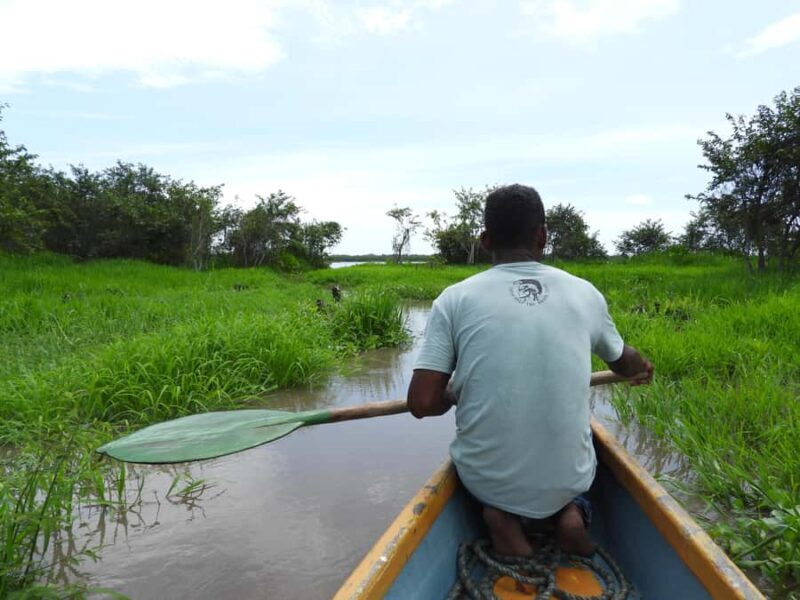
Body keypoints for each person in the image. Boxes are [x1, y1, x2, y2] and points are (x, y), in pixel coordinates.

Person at [406, 184, 653, 558]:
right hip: (569, 479)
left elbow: (422, 402)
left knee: (490, 489)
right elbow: (623, 361)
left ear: (486, 241)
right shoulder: (585, 292)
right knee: (582, 475)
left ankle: (500, 516)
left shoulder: (454, 299)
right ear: (542, 235)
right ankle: (573, 513)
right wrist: (641, 367)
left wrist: (454, 392)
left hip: (487, 482)